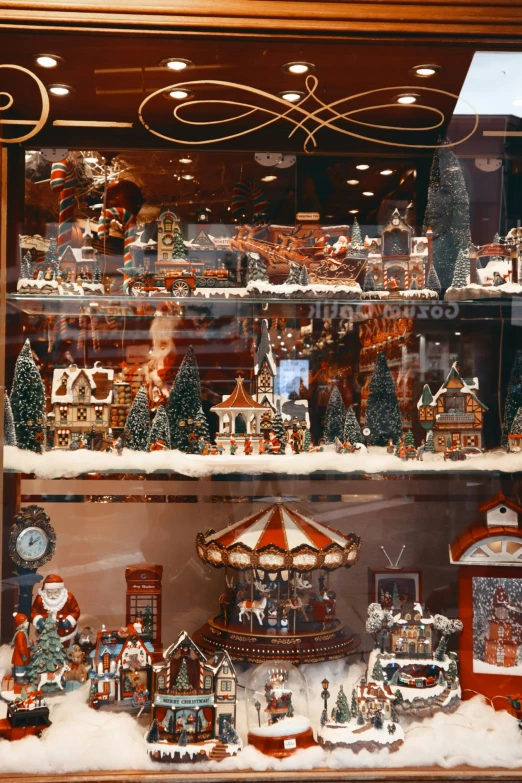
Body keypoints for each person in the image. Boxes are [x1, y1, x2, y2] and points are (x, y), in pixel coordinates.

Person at [31, 573, 81, 646]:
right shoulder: (40, 599)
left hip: (64, 632)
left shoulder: (68, 598)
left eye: (56, 592)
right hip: (46, 632)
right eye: (49, 592)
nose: (52, 595)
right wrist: (39, 620)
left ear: (60, 589)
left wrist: (69, 621)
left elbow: (76, 611)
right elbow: (34, 611)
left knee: (64, 648)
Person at [11, 613, 31, 681]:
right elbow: (20, 645)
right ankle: (19, 680)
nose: (27, 623)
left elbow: (25, 643)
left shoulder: (24, 633)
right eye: (25, 622)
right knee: (20, 668)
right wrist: (23, 654)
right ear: (21, 624)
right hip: (20, 656)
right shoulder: (20, 633)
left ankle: (24, 678)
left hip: (24, 655)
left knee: (24, 667)